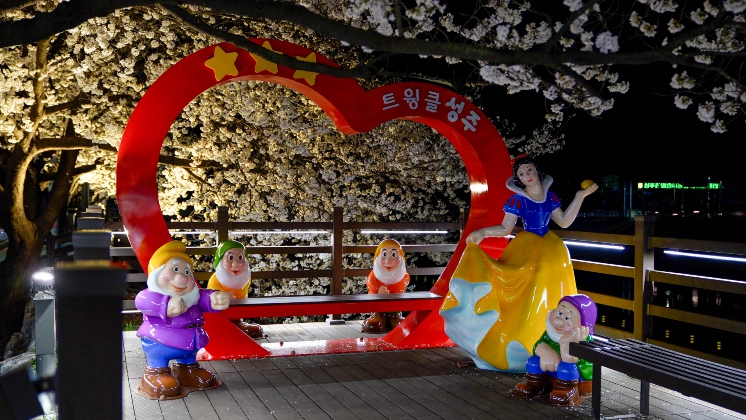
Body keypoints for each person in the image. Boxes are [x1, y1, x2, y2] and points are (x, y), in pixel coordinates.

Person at [439, 154, 598, 372]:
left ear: (538, 172)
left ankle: (558, 337)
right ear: (518, 179)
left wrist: (580, 196)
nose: (526, 175)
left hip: (552, 249)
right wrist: (483, 232)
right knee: (527, 284)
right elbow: (505, 228)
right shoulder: (518, 200)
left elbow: (564, 221)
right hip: (527, 246)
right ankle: (522, 339)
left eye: (529, 170)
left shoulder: (550, 197)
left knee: (553, 287)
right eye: (521, 173)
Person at [135, 240, 231, 400]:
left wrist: (214, 298)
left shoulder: (192, 297)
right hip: (159, 340)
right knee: (159, 364)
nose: (183, 277)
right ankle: (155, 372)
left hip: (191, 341)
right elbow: (142, 301)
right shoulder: (149, 295)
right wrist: (165, 305)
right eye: (175, 269)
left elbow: (202, 297)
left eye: (187, 272)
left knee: (190, 361)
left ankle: (187, 369)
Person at [510, 294, 597, 406]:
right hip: (550, 370)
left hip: (575, 376)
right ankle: (535, 385)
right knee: (533, 361)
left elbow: (573, 360)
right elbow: (537, 345)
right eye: (559, 313)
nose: (558, 320)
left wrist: (566, 343)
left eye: (567, 318)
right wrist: (546, 351)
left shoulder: (583, 340)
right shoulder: (551, 333)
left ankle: (568, 390)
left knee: (566, 367)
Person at [207, 240, 264, 339]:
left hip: (237, 315)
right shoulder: (215, 279)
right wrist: (221, 296)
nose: (236, 264)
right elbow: (210, 298)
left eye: (240, 257)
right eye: (230, 258)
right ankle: (222, 325)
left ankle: (237, 323)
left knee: (254, 331)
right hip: (219, 317)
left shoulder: (245, 279)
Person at [361, 238, 410, 333]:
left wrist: (397, 290)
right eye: (384, 254)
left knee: (398, 323)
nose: (388, 260)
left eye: (393, 255)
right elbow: (370, 284)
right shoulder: (374, 275)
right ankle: (377, 315)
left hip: (395, 306)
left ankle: (395, 316)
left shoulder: (403, 276)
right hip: (378, 305)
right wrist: (378, 289)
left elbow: (404, 283)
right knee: (375, 324)